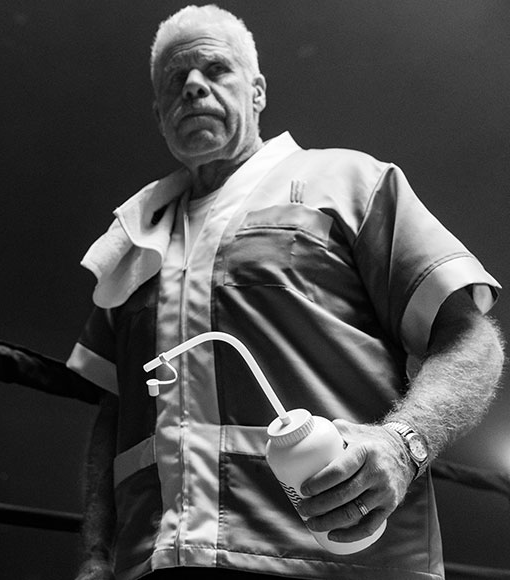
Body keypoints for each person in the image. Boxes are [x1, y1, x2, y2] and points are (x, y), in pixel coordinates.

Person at [66, 5, 504, 580]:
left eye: (215, 70)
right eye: (175, 81)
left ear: (257, 91)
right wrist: (97, 556)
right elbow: (114, 413)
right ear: (159, 113)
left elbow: (473, 341)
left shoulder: (349, 181)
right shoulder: (130, 241)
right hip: (153, 563)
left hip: (341, 560)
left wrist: (403, 444)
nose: (193, 86)